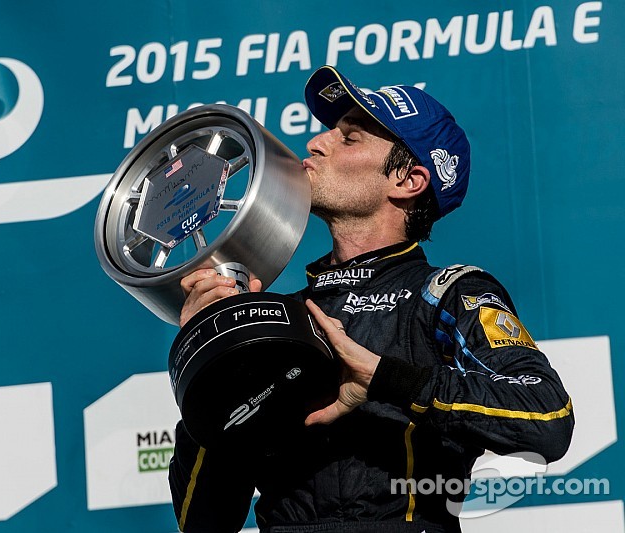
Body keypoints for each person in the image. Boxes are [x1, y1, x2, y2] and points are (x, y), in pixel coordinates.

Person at [168, 65, 574, 533]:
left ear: (408, 181)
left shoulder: (447, 293)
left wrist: (385, 378)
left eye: (350, 138)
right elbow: (203, 521)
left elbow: (547, 418)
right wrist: (206, 360)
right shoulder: (282, 318)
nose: (315, 143)